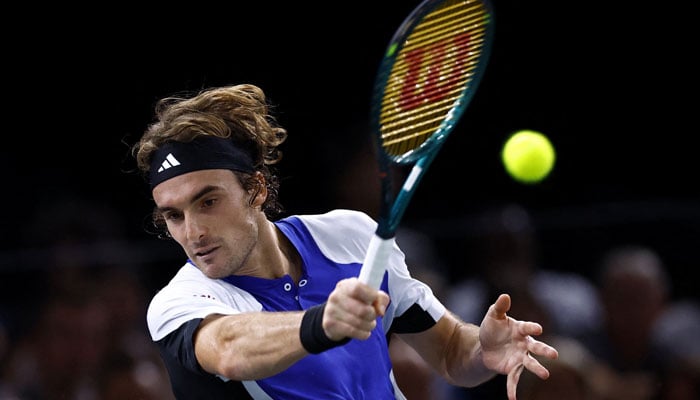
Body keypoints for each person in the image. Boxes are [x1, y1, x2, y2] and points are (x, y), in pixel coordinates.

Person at [130, 83, 559, 399]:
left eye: (208, 202)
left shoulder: (351, 238)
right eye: (174, 215)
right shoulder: (181, 303)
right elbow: (228, 348)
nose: (193, 231)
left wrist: (482, 350)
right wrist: (322, 325)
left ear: (256, 190)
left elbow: (449, 353)